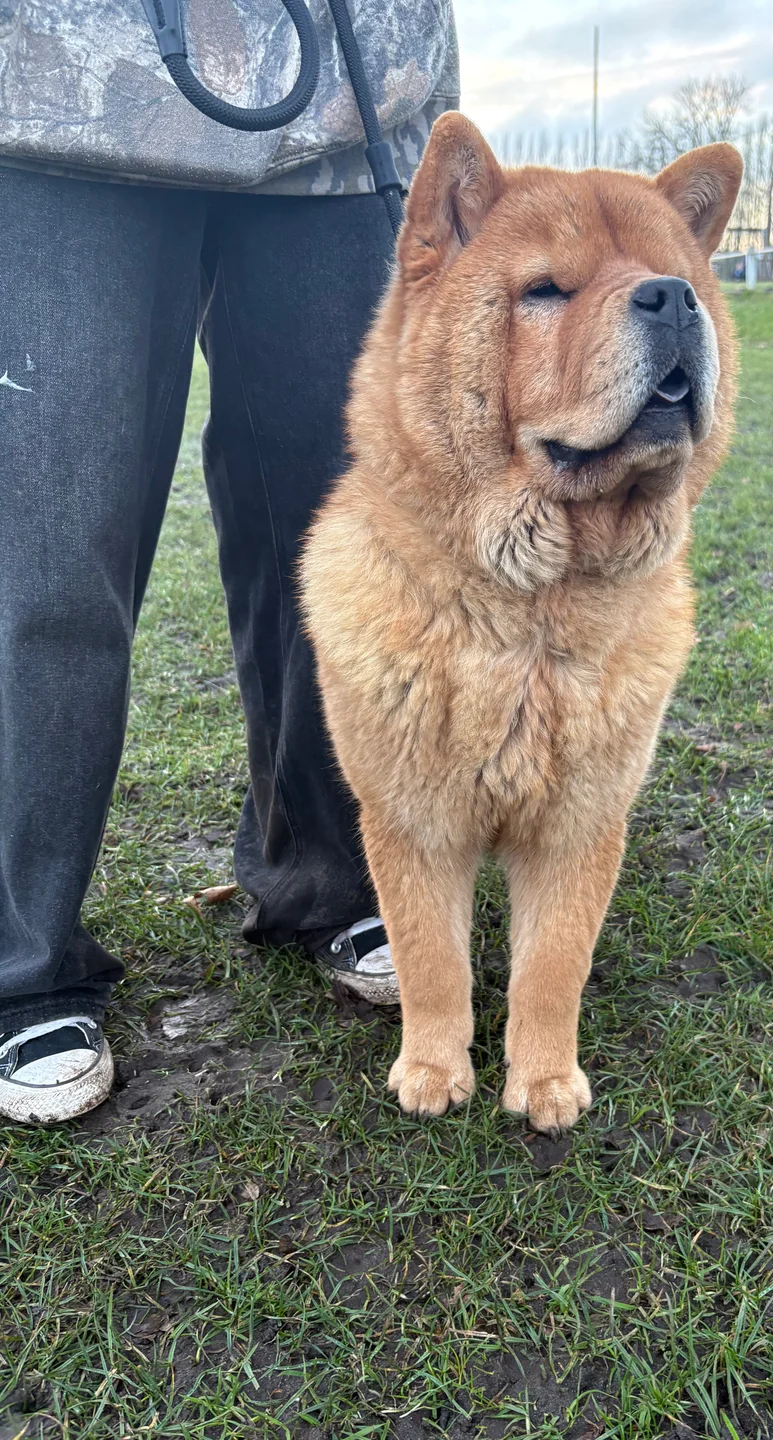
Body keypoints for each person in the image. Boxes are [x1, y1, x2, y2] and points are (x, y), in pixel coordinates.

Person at [0, 0, 459, 1123]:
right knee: (54, 537)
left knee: (338, 530)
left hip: (347, 97)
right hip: (60, 92)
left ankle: (332, 879)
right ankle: (21, 956)